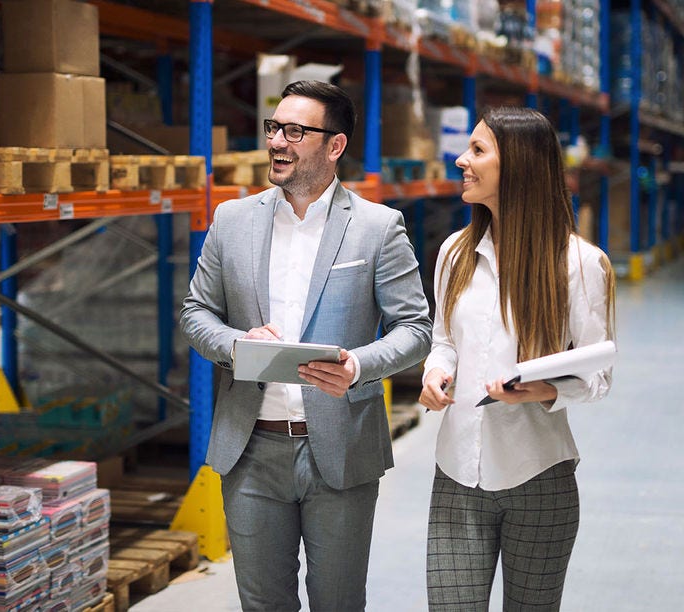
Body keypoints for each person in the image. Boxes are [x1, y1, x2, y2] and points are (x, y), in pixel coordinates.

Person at [179, 80, 432, 611]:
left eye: (295, 131)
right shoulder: (232, 220)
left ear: (334, 145)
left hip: (340, 448)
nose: (276, 141)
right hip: (250, 449)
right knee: (263, 603)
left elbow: (414, 329)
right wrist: (236, 343)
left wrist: (357, 365)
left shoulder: (377, 227)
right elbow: (196, 312)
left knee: (338, 601)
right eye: (274, 128)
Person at [419, 106, 616, 610]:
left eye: (478, 150)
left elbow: (597, 376)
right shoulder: (455, 254)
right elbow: (444, 339)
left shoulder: (579, 264)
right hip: (457, 475)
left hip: (539, 477)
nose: (462, 160)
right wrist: (436, 372)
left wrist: (544, 390)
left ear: (519, 165)